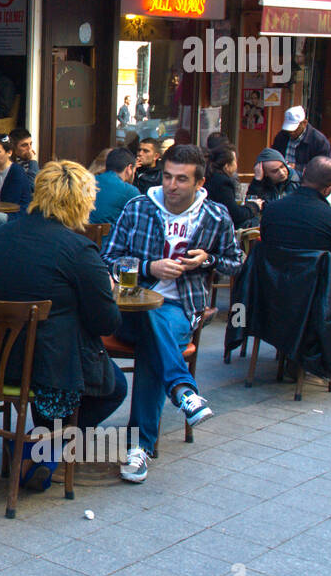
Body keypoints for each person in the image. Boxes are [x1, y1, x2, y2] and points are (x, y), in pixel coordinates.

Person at [102, 143, 244, 483]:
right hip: (131, 311)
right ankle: (182, 393)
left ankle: (139, 447)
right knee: (151, 317)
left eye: (182, 179)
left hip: (182, 308)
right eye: (167, 177)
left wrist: (206, 260)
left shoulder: (215, 216)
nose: (172, 185)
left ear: (199, 182)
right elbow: (107, 258)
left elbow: (235, 261)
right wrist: (150, 266)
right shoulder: (138, 208)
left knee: (156, 334)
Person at [0, 161, 127, 437]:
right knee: (115, 386)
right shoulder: (79, 250)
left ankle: (40, 446)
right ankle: (43, 450)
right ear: (81, 202)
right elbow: (106, 323)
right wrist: (106, 289)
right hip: (50, 371)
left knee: (54, 342)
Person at [259, 156, 331, 313]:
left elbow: (264, 244)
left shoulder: (271, 209)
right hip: (313, 292)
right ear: (330, 188)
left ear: (304, 173)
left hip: (273, 287)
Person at [204, 144, 258, 230]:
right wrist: (254, 206)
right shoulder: (222, 182)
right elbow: (235, 214)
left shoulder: (210, 176)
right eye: (235, 161)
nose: (237, 165)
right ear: (227, 166)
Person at [90, 147, 139, 234]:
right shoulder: (130, 191)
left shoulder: (86, 181)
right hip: (109, 244)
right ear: (129, 169)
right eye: (134, 171)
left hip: (78, 241)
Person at [273, 105, 331, 172]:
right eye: (288, 129)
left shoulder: (319, 141)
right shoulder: (282, 136)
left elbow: (323, 167)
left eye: (295, 129)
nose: (291, 132)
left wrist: (297, 167)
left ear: (304, 123)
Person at [0, 127, 39, 211]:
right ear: (13, 148)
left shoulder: (31, 165)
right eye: (24, 145)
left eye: (30, 144)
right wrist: (33, 161)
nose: (29, 149)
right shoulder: (11, 167)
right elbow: (31, 187)